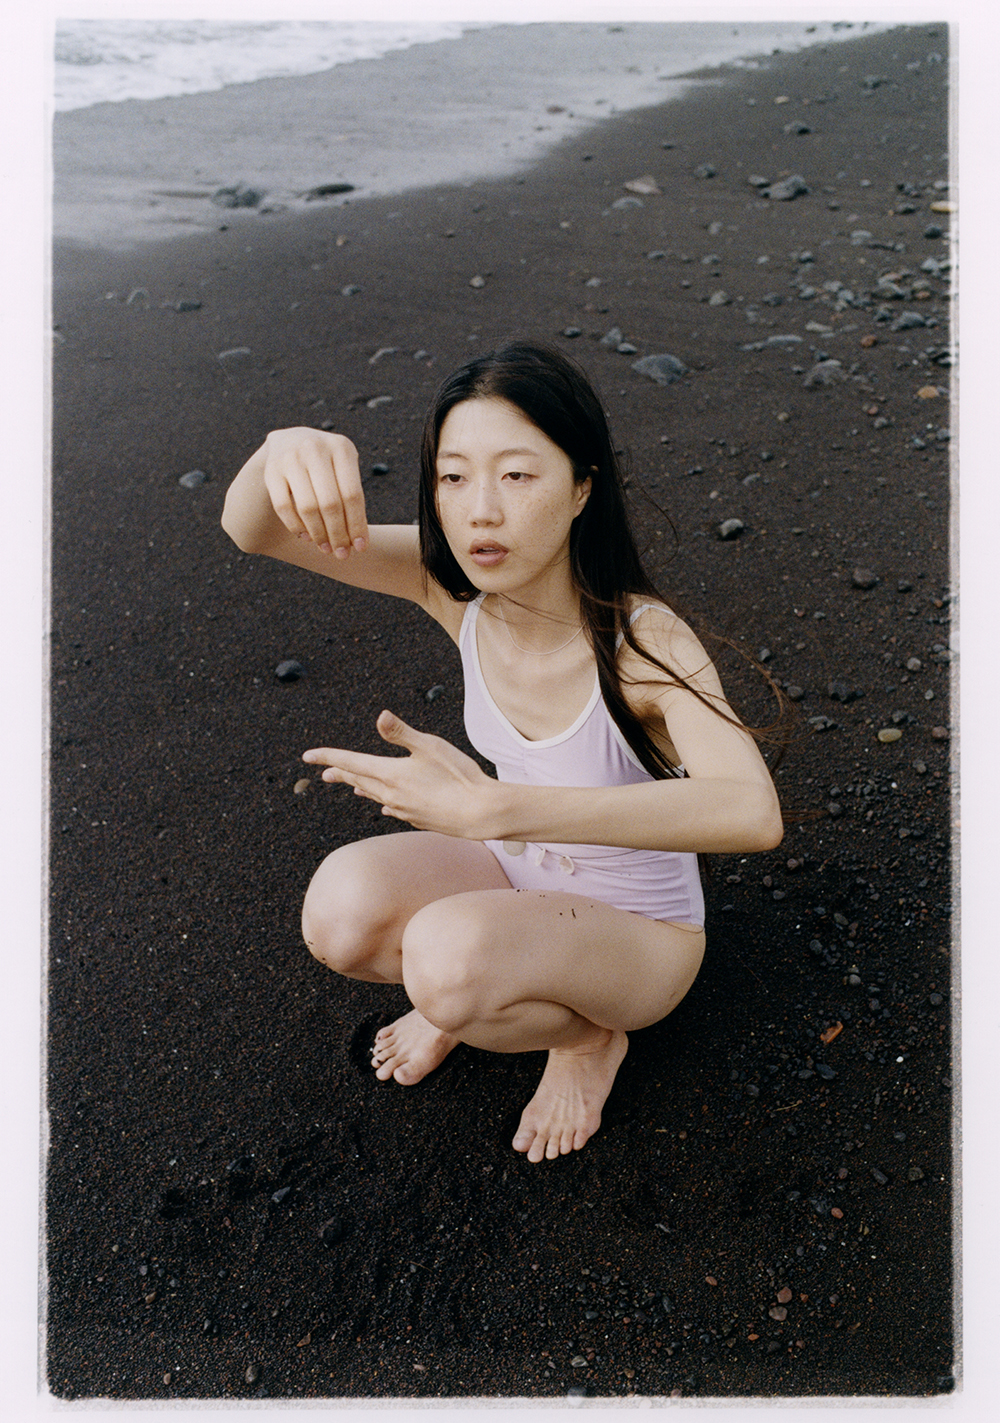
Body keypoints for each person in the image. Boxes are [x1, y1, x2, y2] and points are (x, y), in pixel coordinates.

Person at [221, 341, 782, 1163]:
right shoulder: (455, 591)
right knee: (341, 913)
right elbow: (253, 529)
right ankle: (481, 983)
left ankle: (587, 1039)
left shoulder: (641, 639)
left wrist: (498, 807)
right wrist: (281, 449)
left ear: (582, 486)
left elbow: (751, 810)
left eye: (517, 475)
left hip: (640, 934)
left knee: (446, 964)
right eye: (454, 477)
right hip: (516, 875)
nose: (480, 510)